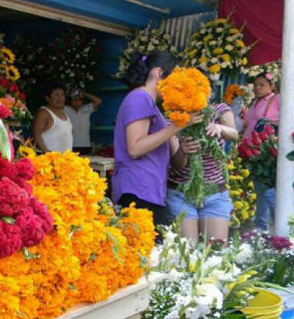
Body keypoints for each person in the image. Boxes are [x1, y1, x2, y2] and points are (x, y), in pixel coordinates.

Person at [112, 51, 202, 227]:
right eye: (175, 79)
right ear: (159, 73)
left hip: (149, 191)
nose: (178, 87)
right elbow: (135, 148)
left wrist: (183, 149)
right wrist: (178, 126)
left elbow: (177, 163)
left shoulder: (152, 104)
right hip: (137, 191)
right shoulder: (140, 97)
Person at [166, 100, 238, 241]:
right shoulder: (173, 119)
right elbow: (177, 165)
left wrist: (219, 128)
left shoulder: (219, 110)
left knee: (215, 253)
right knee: (187, 254)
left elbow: (234, 134)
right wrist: (183, 151)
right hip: (181, 195)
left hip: (215, 194)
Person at [242, 72, 280, 230]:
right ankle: (261, 227)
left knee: (268, 188)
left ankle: (280, 224)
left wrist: (268, 122)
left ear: (271, 86)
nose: (257, 88)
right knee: (260, 189)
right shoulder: (255, 101)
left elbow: (292, 117)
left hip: (265, 151)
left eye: (261, 85)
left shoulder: (276, 99)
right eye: (255, 84)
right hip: (252, 150)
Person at [32, 82, 73, 153]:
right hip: (48, 160)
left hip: (64, 160)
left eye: (62, 95)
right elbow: (36, 134)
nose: (60, 98)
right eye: (56, 95)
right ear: (48, 98)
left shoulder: (65, 114)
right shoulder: (44, 112)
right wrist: (47, 152)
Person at [65, 89, 102, 155]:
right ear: (70, 101)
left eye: (79, 100)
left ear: (82, 101)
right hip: (70, 144)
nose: (77, 102)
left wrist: (84, 93)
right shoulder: (66, 109)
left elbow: (98, 101)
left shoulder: (87, 108)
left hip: (85, 144)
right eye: (74, 100)